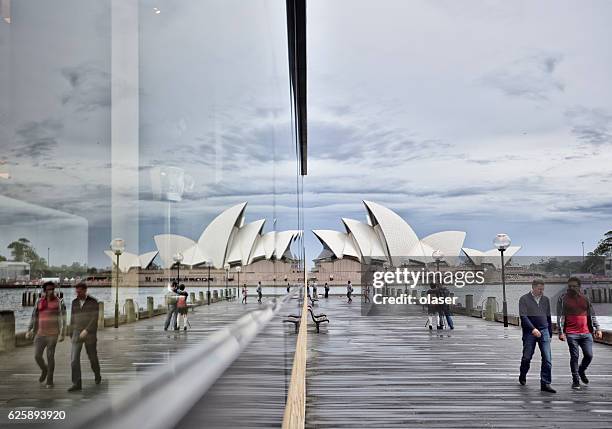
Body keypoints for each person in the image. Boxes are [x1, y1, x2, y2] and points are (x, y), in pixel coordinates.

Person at [557, 276, 603, 390]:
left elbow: (592, 314)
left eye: (574, 286)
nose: (571, 288)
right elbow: (560, 317)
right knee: (575, 356)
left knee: (589, 355)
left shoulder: (585, 298)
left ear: (579, 287)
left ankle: (581, 370)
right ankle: (576, 380)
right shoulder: (563, 299)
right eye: (570, 286)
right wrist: (560, 332)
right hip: (571, 333)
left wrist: (597, 328)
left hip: (586, 333)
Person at [26, 281, 66, 388]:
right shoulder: (39, 301)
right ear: (45, 291)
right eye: (49, 289)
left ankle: (50, 380)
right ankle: (44, 369)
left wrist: (62, 333)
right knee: (37, 356)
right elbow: (34, 316)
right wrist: (29, 330)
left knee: (50, 356)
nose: (51, 291)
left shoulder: (59, 302)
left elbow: (63, 319)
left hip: (53, 334)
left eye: (52, 289)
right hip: (40, 334)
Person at [518, 279, 555, 393]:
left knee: (547, 358)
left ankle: (545, 383)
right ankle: (523, 374)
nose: (541, 291)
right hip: (530, 332)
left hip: (544, 330)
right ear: (533, 287)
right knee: (527, 357)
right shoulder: (524, 299)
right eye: (539, 289)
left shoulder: (545, 300)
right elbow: (523, 317)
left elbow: (548, 316)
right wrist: (533, 329)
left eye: (543, 289)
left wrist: (550, 332)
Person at [68, 282, 101, 392]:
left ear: (85, 290)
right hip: (76, 332)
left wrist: (87, 330)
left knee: (92, 357)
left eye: (80, 291)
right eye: (76, 291)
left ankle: (97, 374)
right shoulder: (74, 302)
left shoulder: (93, 302)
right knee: (73, 360)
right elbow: (72, 318)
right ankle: (76, 383)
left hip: (90, 333)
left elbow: (94, 318)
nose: (78, 294)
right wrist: (71, 332)